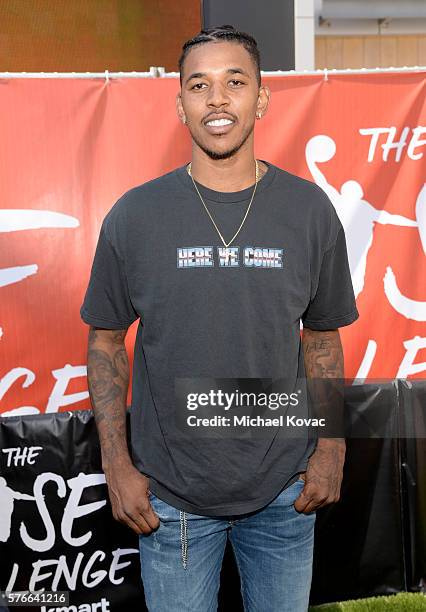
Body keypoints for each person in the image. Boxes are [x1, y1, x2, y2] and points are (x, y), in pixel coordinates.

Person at [80, 25, 359, 612]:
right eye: (199, 85)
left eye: (235, 82)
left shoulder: (308, 211)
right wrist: (117, 466)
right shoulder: (135, 216)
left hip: (285, 491)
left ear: (260, 98)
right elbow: (105, 341)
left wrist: (330, 449)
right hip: (172, 498)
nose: (217, 99)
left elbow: (322, 339)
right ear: (179, 103)